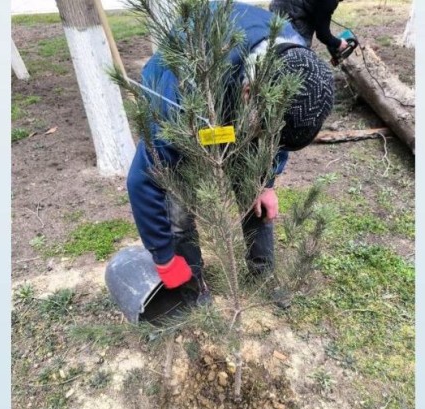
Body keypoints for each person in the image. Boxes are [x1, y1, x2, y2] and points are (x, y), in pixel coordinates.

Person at [126, 2, 335, 303]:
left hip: (239, 93)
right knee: (178, 207)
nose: (268, 140)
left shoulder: (295, 60)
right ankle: (192, 284)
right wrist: (162, 256)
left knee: (254, 190)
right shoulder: (176, 96)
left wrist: (267, 182)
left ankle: (262, 275)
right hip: (193, 106)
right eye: (264, 131)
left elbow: (276, 134)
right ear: (248, 93)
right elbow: (142, 180)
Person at [269, 0, 349, 63]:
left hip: (276, 5)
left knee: (274, 41)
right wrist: (339, 43)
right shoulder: (328, 2)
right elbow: (323, 35)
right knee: (297, 51)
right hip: (292, 15)